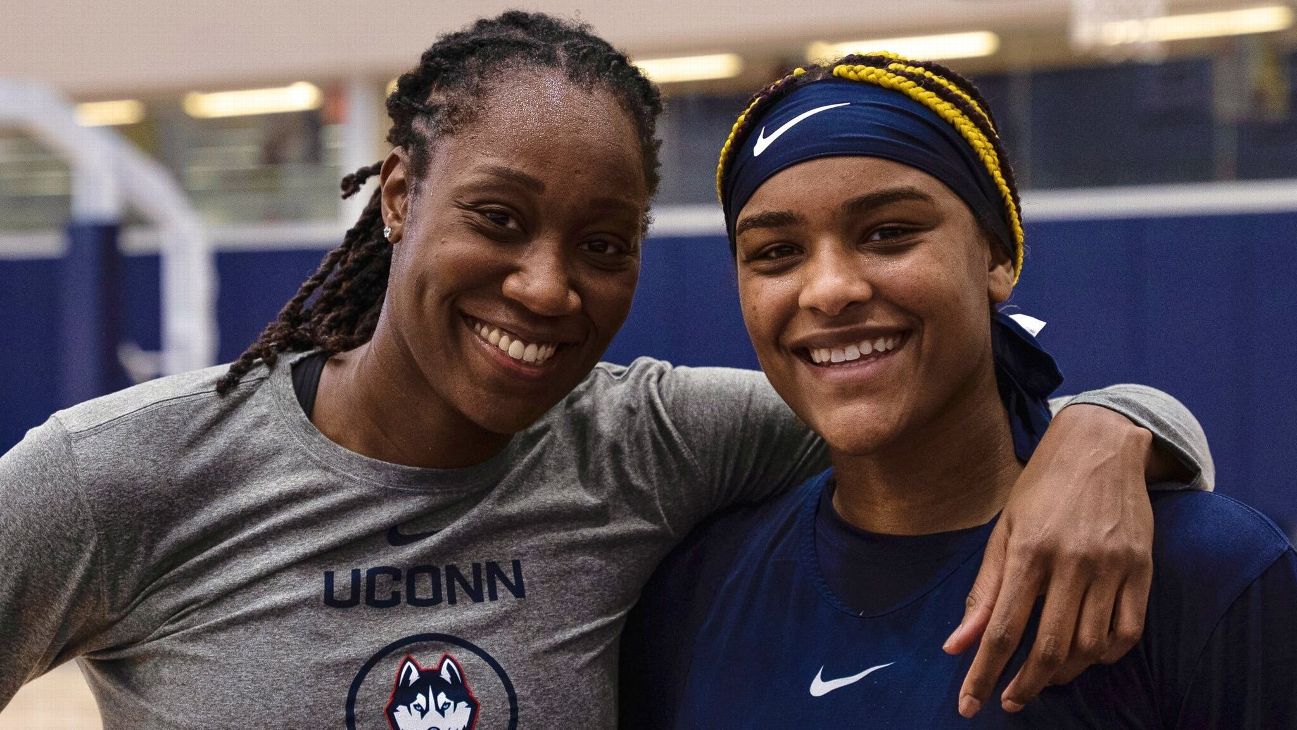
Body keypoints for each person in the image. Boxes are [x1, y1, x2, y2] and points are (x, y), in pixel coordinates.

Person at [0, 15, 1211, 728]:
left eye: (601, 245)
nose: (545, 285)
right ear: (402, 195)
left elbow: (957, 409)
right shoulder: (123, 474)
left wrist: (1110, 428)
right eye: (499, 218)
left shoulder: (660, 443)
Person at [619, 53, 1297, 727]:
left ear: (997, 256)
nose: (828, 289)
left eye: (888, 233)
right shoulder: (693, 589)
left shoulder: (1201, 570)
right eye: (775, 253)